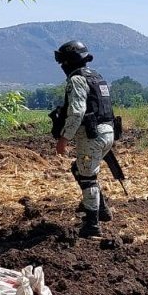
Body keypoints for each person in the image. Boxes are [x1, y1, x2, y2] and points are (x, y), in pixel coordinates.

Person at [53, 40, 116, 237]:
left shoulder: (77, 80)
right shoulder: (96, 77)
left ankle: (92, 226)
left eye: (63, 63)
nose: (62, 67)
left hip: (92, 137)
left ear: (68, 62)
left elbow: (77, 112)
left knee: (88, 178)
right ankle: (102, 210)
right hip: (108, 134)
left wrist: (64, 138)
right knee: (79, 168)